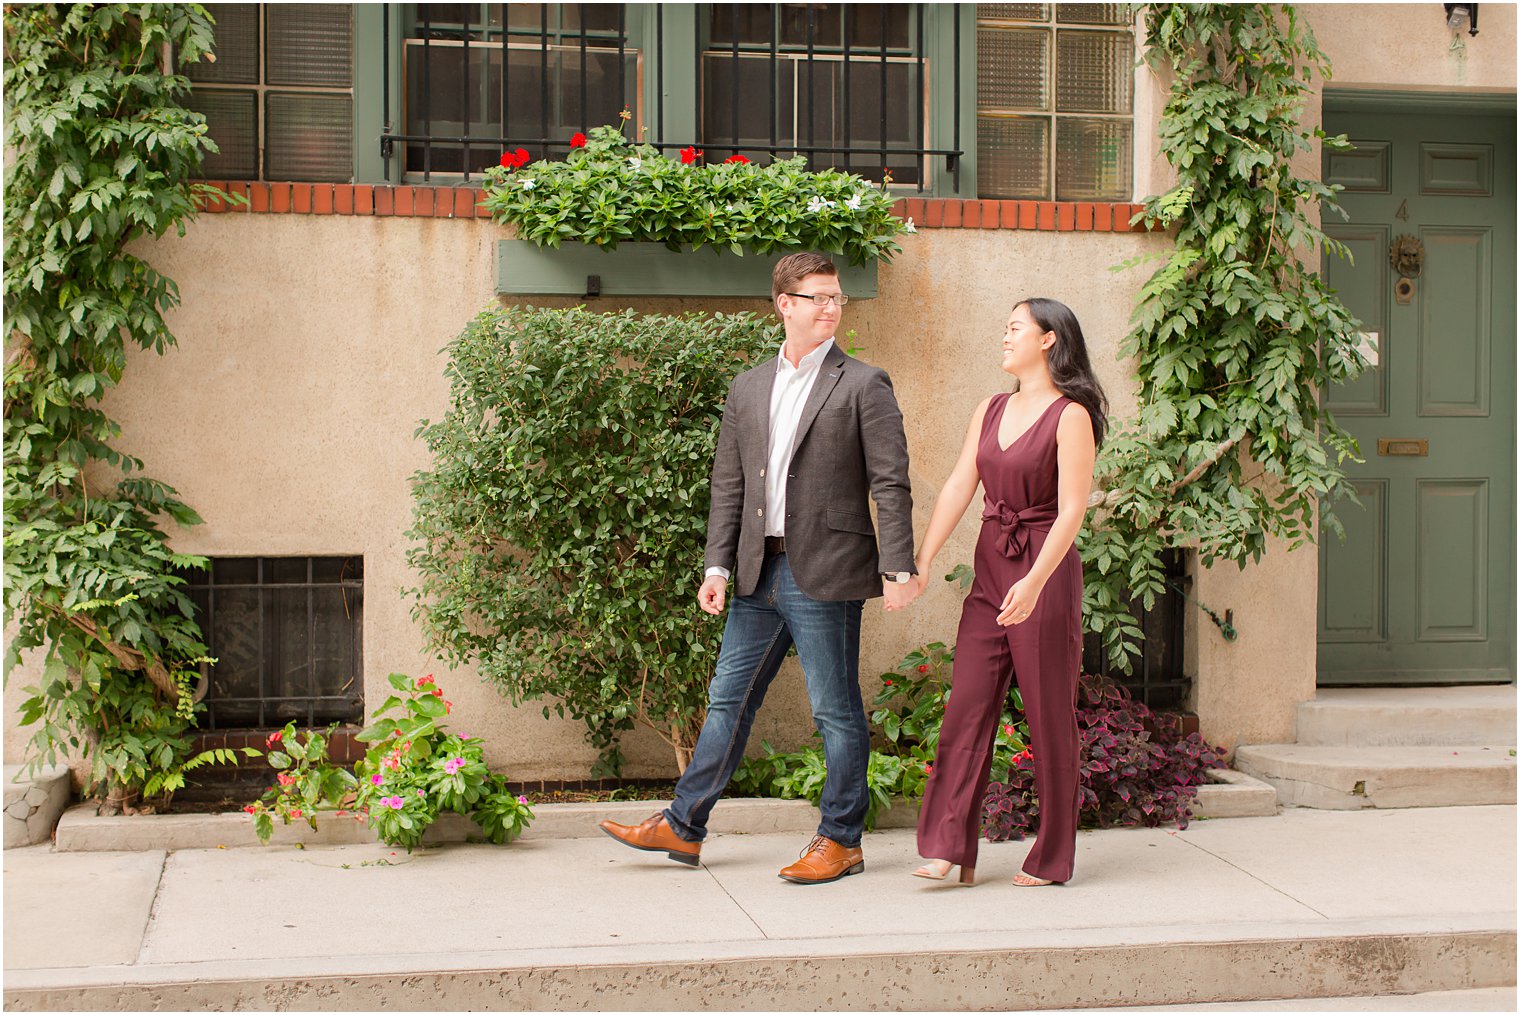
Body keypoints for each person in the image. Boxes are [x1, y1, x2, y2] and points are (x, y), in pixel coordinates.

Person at [599, 251, 918, 884]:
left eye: (837, 298)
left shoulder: (862, 383)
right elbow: (729, 484)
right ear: (784, 304)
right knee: (727, 702)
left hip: (825, 570)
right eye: (818, 297)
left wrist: (898, 566)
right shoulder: (748, 386)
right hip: (755, 572)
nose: (832, 308)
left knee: (834, 709)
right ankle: (684, 825)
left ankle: (841, 840)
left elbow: (890, 481)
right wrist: (716, 565)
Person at [909, 297, 1107, 887]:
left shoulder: (1071, 415)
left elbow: (1073, 511)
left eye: (1015, 328)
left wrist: (1036, 580)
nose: (1005, 337)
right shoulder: (991, 408)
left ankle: (1051, 858)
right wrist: (921, 562)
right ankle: (948, 848)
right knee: (967, 705)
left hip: (1043, 568)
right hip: (991, 565)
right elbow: (956, 486)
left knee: (1049, 716)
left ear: (1049, 340)